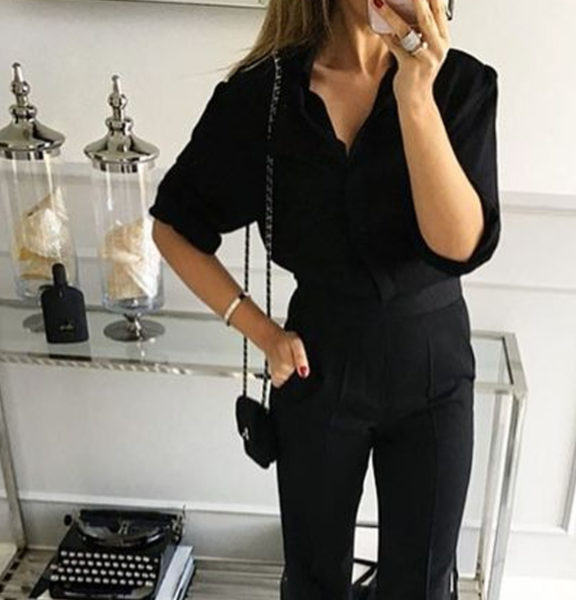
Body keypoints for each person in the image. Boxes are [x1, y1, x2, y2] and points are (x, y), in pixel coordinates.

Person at [149, 0, 500, 597]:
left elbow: (459, 247)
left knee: (422, 584)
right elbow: (174, 227)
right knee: (313, 579)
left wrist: (416, 94)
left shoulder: (460, 84)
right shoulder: (265, 97)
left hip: (433, 368)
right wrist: (261, 331)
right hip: (319, 364)